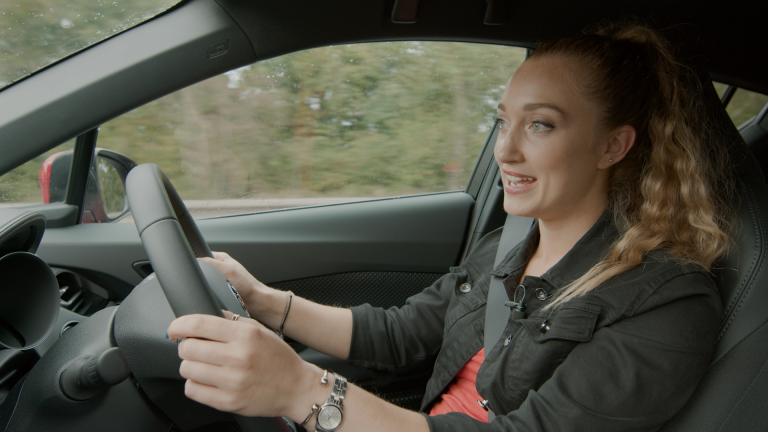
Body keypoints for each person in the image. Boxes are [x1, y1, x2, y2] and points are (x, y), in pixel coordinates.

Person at [166, 22, 733, 432]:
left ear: (613, 145)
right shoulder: (506, 247)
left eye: (540, 125)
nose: (505, 151)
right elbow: (398, 334)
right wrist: (264, 302)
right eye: (502, 121)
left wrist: (300, 390)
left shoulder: (666, 302)